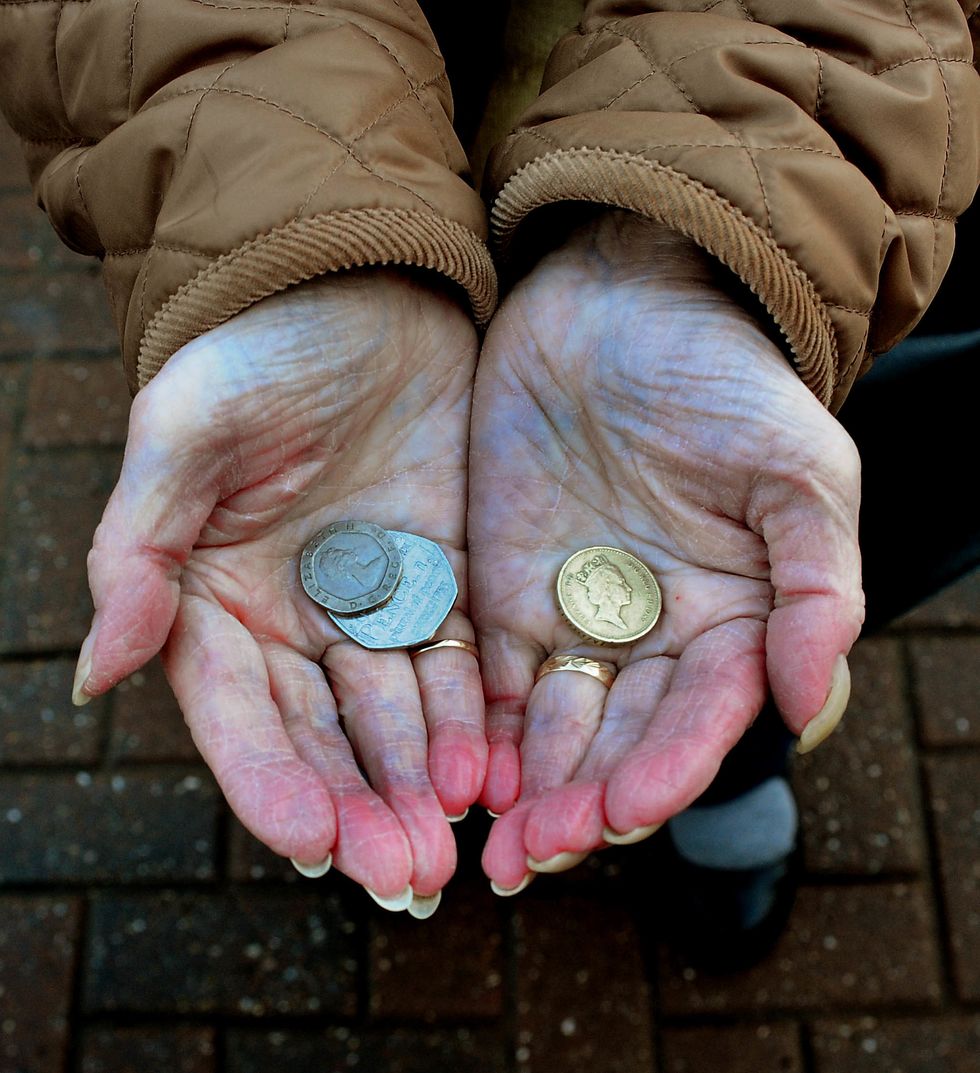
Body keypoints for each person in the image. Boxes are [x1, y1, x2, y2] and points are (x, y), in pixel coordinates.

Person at [0, 0, 976, 940]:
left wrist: (693, 250)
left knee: (770, 540)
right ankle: (439, 782)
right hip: (399, 97)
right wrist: (298, 243)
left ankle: (732, 758)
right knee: (517, 659)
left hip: (829, 176)